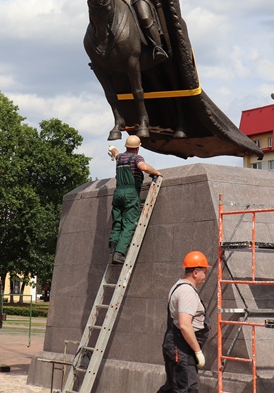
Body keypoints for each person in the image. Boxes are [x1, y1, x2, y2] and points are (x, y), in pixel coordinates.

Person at [157, 251, 211, 393]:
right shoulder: (187, 292)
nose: (205, 276)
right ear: (195, 273)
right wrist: (198, 351)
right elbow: (185, 325)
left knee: (172, 388)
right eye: (204, 272)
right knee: (187, 389)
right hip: (182, 349)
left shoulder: (178, 286)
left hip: (176, 346)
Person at [108, 134, 161, 264]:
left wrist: (112, 148)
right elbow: (143, 167)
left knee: (118, 221)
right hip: (130, 193)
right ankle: (119, 253)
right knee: (129, 223)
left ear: (126, 146)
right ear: (138, 147)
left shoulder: (120, 157)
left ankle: (113, 248)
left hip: (118, 193)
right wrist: (155, 172)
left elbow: (115, 153)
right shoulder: (136, 158)